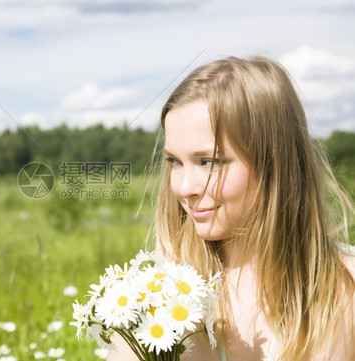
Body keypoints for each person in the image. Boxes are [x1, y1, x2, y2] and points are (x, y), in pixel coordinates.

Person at [107, 56, 355, 361]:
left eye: (209, 162)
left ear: (274, 163)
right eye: (174, 161)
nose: (184, 188)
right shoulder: (156, 294)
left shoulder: (343, 289)